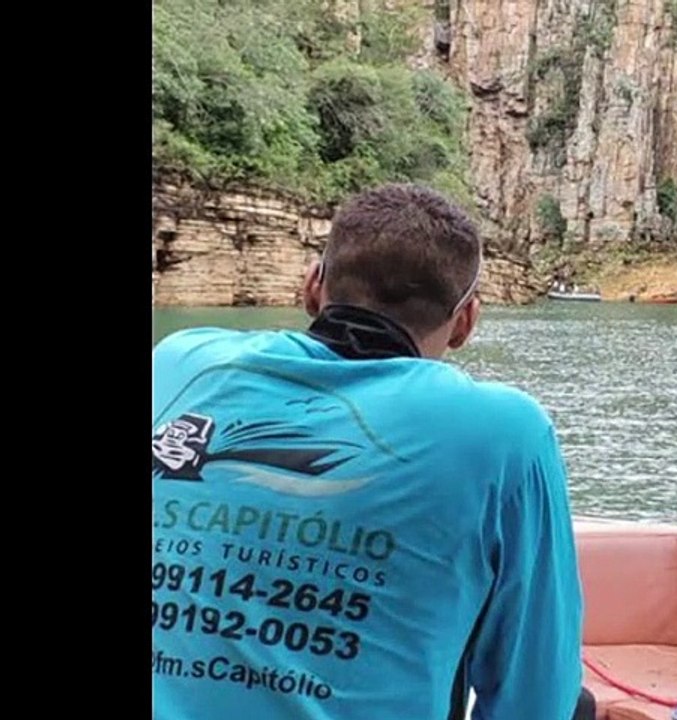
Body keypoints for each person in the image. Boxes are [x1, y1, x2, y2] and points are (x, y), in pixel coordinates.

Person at [152, 184, 590, 719]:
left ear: (314, 285)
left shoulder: (178, 362)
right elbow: (538, 695)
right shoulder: (505, 433)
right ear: (466, 322)